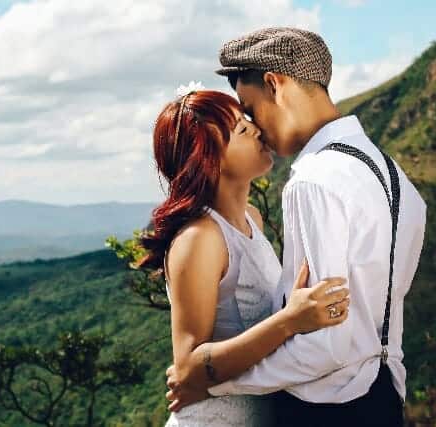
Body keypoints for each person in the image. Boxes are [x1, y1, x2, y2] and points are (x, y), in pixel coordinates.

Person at [166, 27, 427, 426]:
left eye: (249, 109)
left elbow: (326, 345)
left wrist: (213, 383)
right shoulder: (393, 176)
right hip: (383, 393)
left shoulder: (312, 181)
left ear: (275, 86)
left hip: (327, 407)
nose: (255, 126)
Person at [139, 89, 351, 427]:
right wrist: (290, 321)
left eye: (247, 121)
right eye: (240, 129)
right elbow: (188, 368)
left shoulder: (253, 217)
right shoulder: (201, 238)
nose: (255, 130)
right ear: (210, 159)